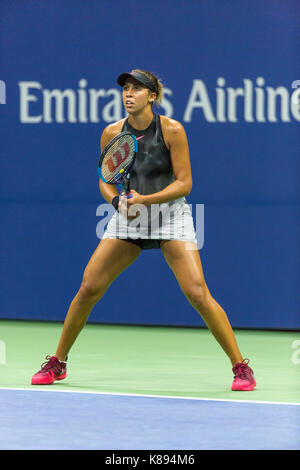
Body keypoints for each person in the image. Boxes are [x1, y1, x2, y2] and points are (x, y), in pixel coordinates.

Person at [31, 69, 256, 391]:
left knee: (196, 292)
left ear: (152, 96)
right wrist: (116, 203)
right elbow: (106, 179)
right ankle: (57, 363)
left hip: (170, 218)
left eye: (137, 89)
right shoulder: (111, 133)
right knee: (88, 288)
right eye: (126, 88)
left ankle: (241, 367)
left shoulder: (172, 130)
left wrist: (146, 200)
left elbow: (185, 183)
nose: (129, 94)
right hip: (129, 218)